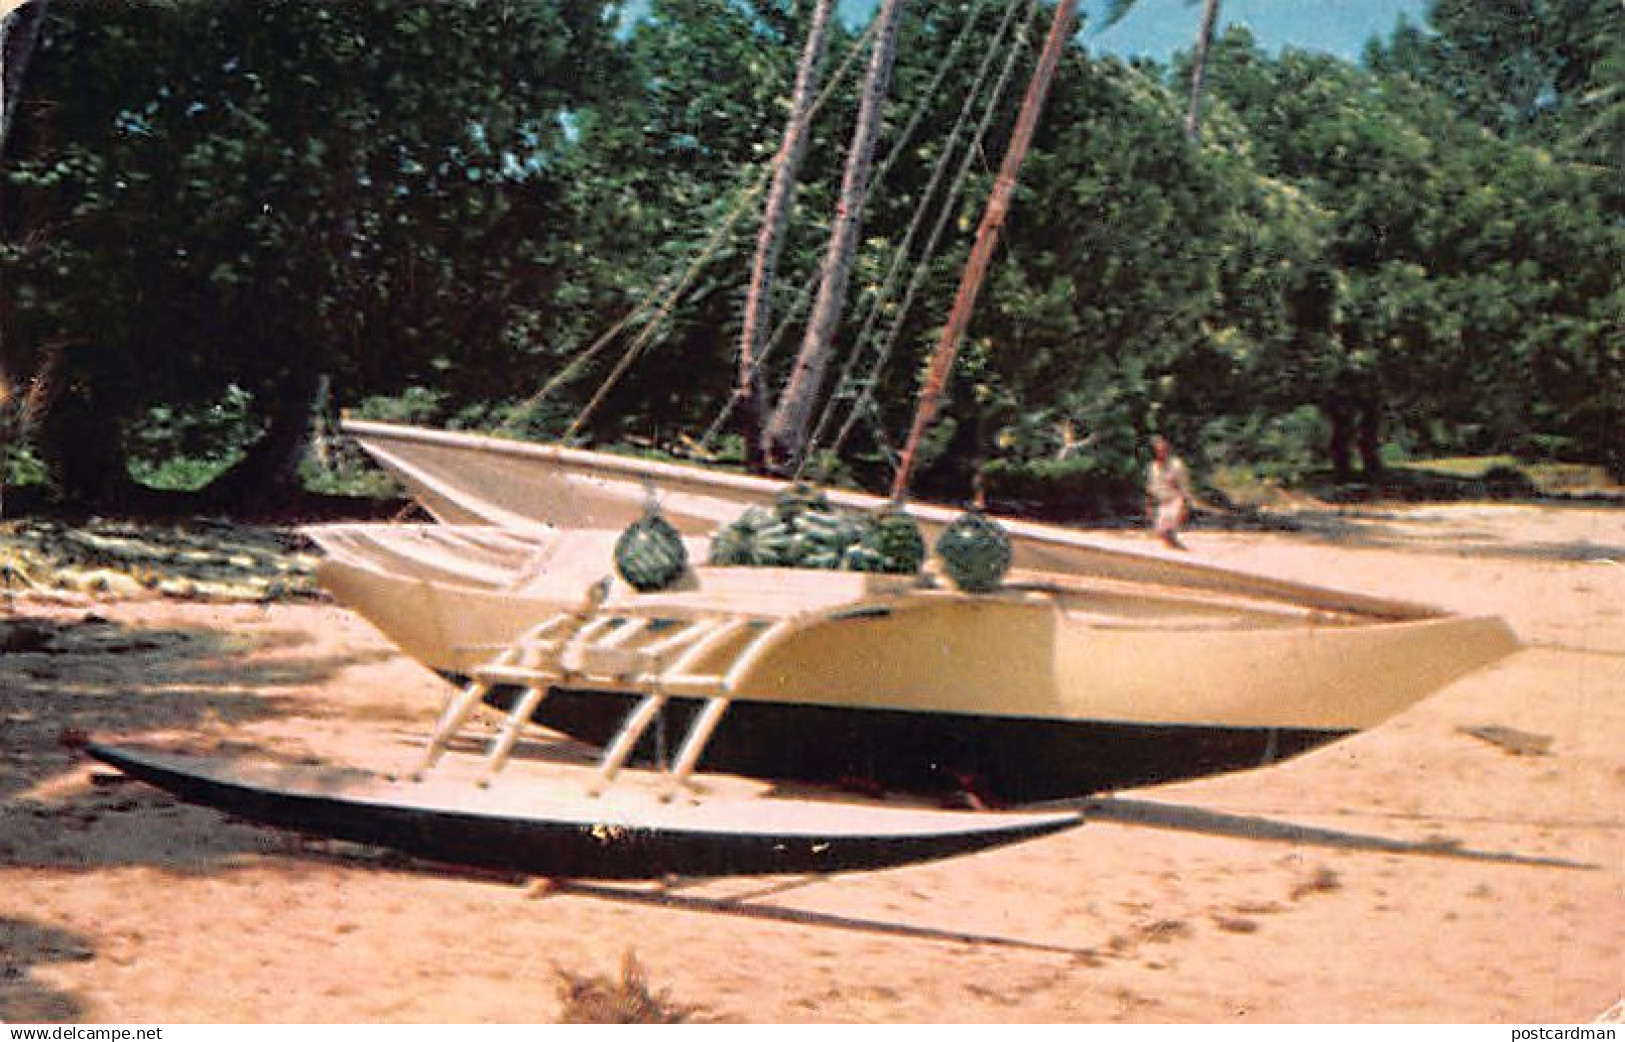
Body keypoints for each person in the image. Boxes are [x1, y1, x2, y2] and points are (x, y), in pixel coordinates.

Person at [1144, 435, 1194, 550]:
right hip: (1162, 501)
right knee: (1161, 532)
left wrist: (1185, 505)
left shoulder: (1176, 465)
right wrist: (1149, 505)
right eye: (1158, 451)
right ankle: (1175, 546)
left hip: (1175, 499)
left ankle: (1177, 547)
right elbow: (1151, 488)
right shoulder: (1153, 467)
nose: (1161, 453)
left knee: (1169, 526)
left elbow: (1184, 486)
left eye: (1163, 450)